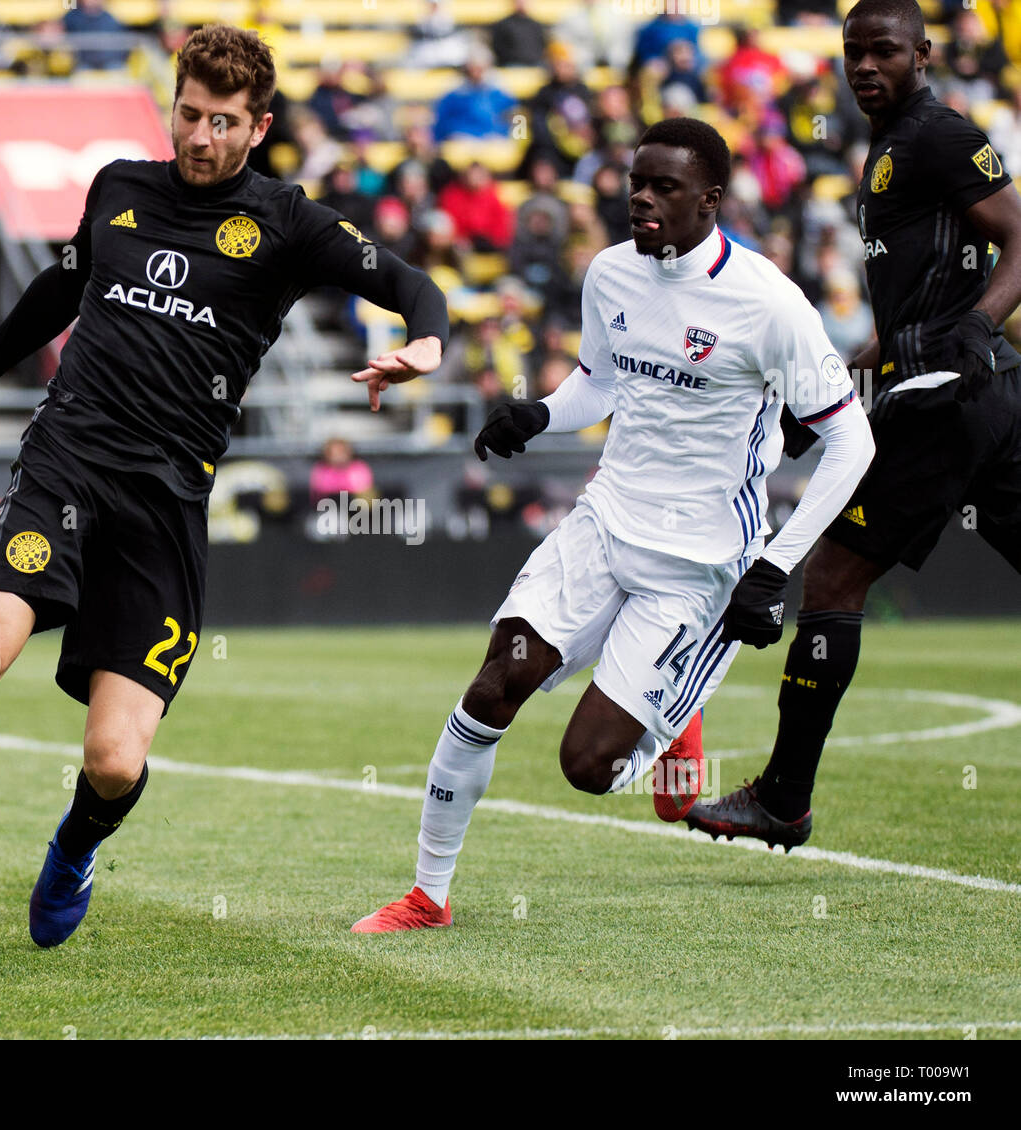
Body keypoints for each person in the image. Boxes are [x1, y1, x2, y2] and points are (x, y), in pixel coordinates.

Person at [0, 23, 449, 966]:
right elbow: (64, 285)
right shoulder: (119, 187)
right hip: (64, 465)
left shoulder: (289, 221)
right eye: (187, 114)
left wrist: (425, 344)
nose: (198, 137)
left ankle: (73, 851)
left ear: (258, 126)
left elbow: (410, 284)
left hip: (165, 506)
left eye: (222, 123)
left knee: (114, 760)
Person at [352, 117, 874, 932]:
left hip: (700, 565)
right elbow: (600, 384)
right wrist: (540, 415)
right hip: (603, 523)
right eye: (635, 181)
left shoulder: (769, 303)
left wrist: (775, 568)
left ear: (710, 200)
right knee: (497, 682)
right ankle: (429, 894)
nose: (640, 198)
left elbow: (851, 439)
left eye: (663, 186)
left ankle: (678, 720)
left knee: (586, 767)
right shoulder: (610, 275)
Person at [687, 0, 1021, 849]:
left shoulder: (938, 135)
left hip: (947, 397)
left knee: (833, 580)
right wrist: (829, 385)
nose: (865, 66)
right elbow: (907, 314)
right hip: (979, 395)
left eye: (883, 51)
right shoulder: (891, 147)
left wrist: (980, 326)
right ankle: (783, 796)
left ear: (924, 53)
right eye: (852, 53)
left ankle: (783, 798)